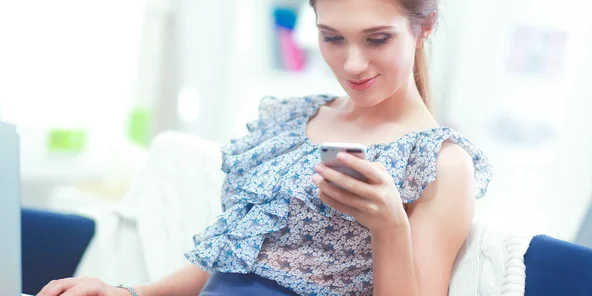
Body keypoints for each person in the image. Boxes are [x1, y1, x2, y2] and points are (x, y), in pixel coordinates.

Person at [37, 0, 492, 295]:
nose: (352, 64)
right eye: (332, 37)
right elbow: (234, 258)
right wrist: (128, 294)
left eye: (377, 39)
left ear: (425, 26)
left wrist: (389, 226)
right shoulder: (291, 121)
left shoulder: (441, 164)